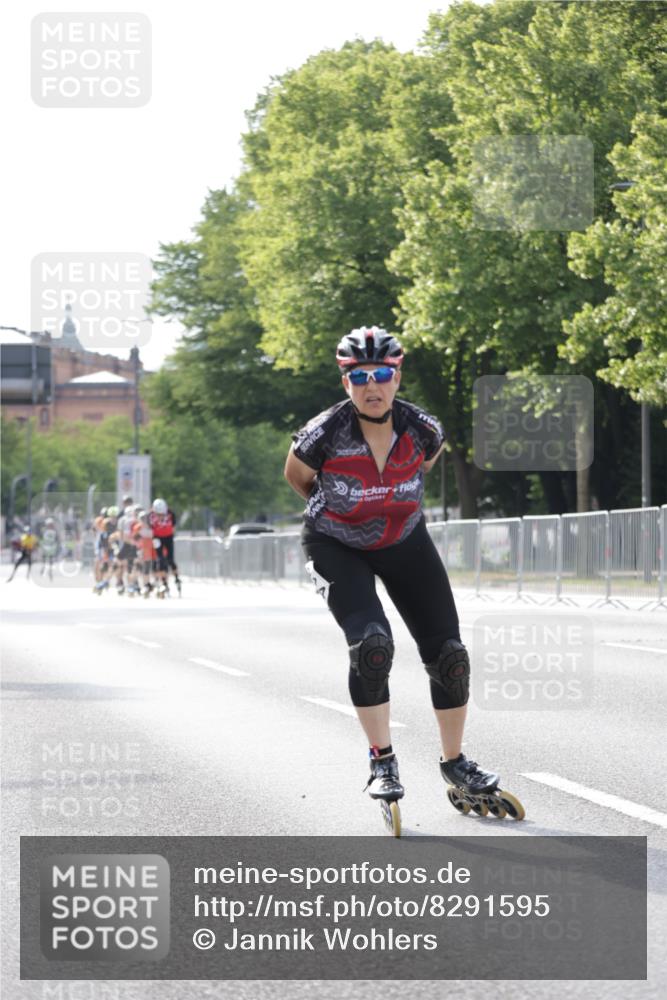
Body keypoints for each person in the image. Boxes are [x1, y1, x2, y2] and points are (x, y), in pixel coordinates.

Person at [284, 326, 499, 812]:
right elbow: (298, 478)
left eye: (382, 374)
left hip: (404, 539)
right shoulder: (323, 433)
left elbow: (419, 469)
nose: (372, 385)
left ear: (397, 377)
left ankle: (455, 763)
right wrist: (345, 513)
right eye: (359, 376)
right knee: (372, 647)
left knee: (450, 656)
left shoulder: (424, 430)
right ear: (345, 382)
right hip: (335, 544)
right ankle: (382, 760)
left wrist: (385, 508)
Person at [149, 498, 181, 596]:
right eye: (158, 514)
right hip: (157, 537)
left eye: (162, 514)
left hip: (168, 537)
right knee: (160, 559)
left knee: (170, 559)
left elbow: (173, 526)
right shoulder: (150, 516)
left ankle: (176, 577)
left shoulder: (171, 514)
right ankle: (164, 582)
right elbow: (149, 527)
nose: (160, 516)